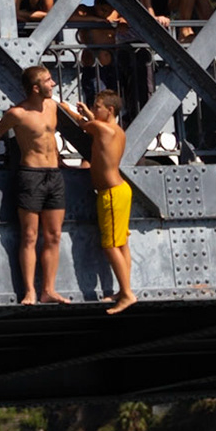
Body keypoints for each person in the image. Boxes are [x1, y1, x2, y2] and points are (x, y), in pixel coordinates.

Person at [0, 65, 69, 305]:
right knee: (30, 235)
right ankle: (30, 291)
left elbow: (50, 139)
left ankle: (49, 290)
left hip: (54, 175)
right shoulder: (17, 113)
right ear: (35, 88)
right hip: (30, 175)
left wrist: (61, 162)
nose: (53, 84)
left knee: (54, 235)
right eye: (48, 80)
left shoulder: (53, 106)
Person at [62, 90, 136, 313]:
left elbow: (83, 124)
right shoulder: (117, 130)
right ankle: (124, 289)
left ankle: (127, 294)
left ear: (110, 110)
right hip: (121, 190)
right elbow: (93, 123)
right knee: (121, 243)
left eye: (97, 106)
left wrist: (68, 111)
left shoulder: (101, 128)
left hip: (110, 194)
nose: (94, 109)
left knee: (110, 245)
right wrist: (90, 114)